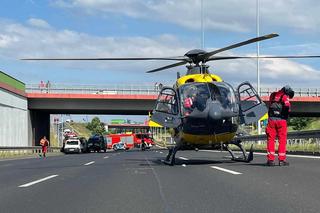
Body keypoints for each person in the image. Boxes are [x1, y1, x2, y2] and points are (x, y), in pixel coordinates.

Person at [266, 85, 294, 166]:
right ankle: (281, 160)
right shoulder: (285, 97)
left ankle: (270, 160)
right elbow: (287, 106)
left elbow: (271, 104)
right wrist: (286, 114)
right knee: (282, 140)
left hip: (271, 120)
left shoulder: (272, 95)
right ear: (286, 92)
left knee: (271, 140)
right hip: (281, 121)